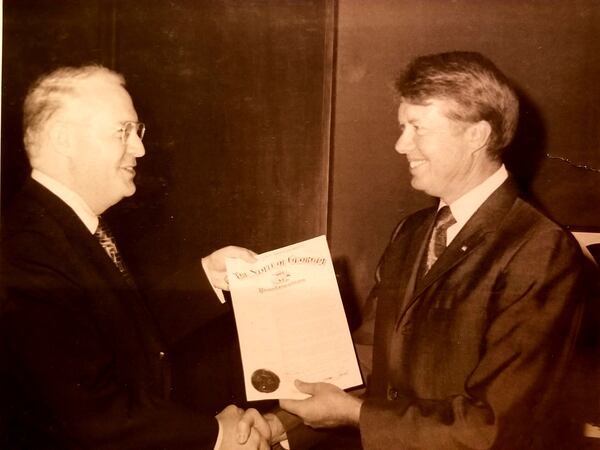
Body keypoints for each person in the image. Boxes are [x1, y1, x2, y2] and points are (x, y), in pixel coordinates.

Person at [273, 51, 594, 449]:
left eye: (416, 128)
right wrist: (279, 426)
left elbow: (493, 425)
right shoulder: (410, 233)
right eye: (401, 126)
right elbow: (366, 358)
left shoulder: (540, 249)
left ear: (477, 135)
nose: (399, 144)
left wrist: (355, 414)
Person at [0, 65, 273, 449]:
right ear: (64, 138)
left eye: (137, 131)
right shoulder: (25, 248)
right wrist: (217, 434)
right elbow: (91, 416)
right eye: (122, 131)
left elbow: (113, 330)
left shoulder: (64, 228)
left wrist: (207, 274)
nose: (140, 148)